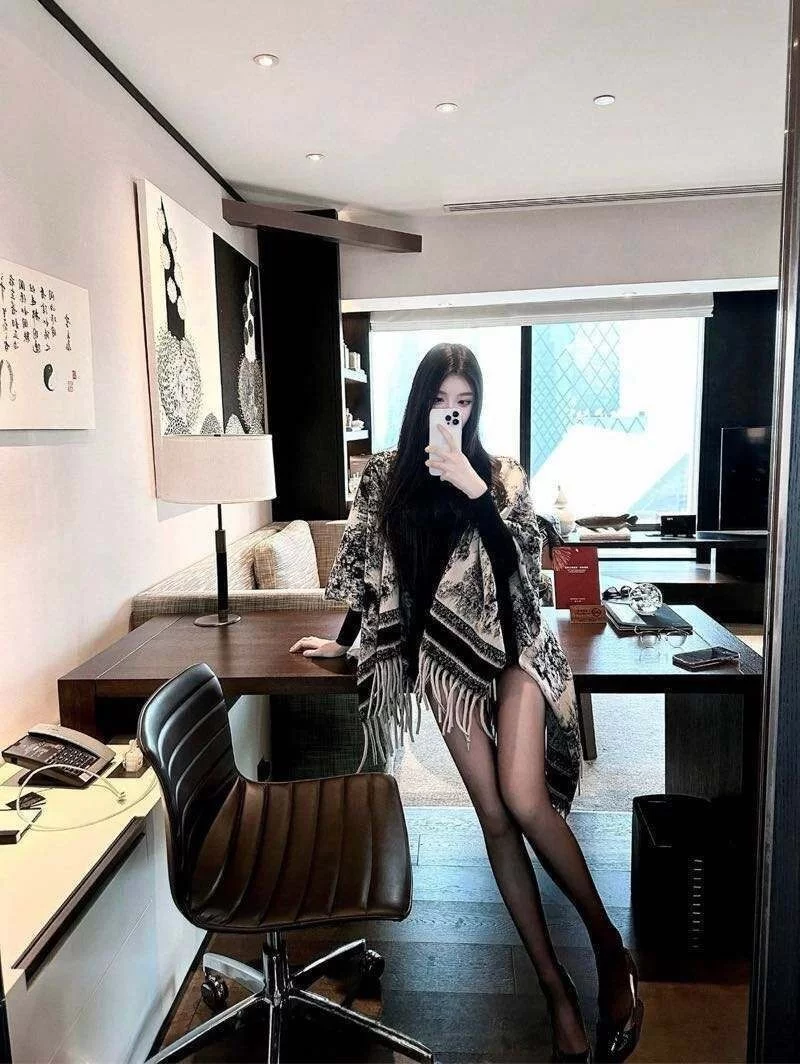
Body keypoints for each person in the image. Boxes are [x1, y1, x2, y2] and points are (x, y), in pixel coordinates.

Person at [290, 343, 643, 1063]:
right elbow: (369, 573)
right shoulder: (382, 476)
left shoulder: (500, 474)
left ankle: (609, 949)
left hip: (515, 653)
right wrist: (345, 641)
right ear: (420, 402)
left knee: (524, 798)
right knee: (493, 816)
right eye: (441, 400)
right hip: (442, 662)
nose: (452, 413)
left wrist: (476, 491)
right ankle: (553, 987)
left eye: (465, 402)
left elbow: (525, 572)